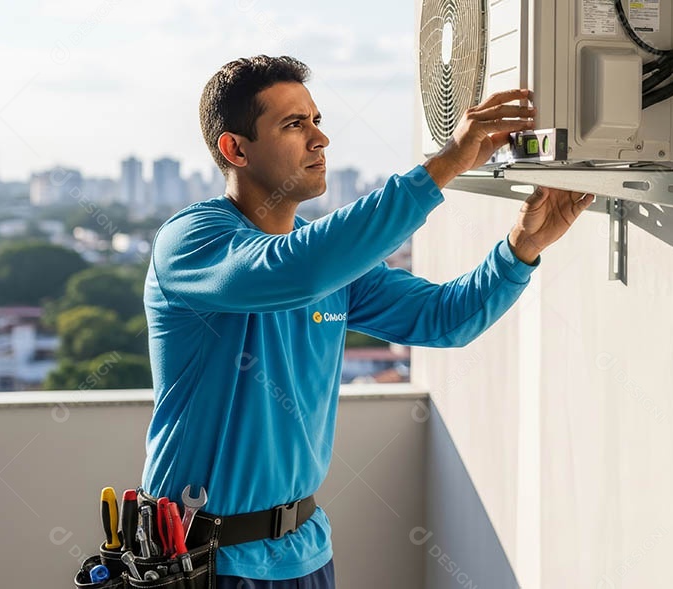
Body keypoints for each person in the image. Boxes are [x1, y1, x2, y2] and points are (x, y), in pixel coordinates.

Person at [141, 55, 594, 588]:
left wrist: (521, 250)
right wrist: (445, 164)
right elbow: (297, 270)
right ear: (235, 149)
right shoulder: (193, 242)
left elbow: (444, 318)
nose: (319, 140)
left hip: (306, 552)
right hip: (204, 562)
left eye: (317, 120)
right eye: (293, 125)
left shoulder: (330, 264)